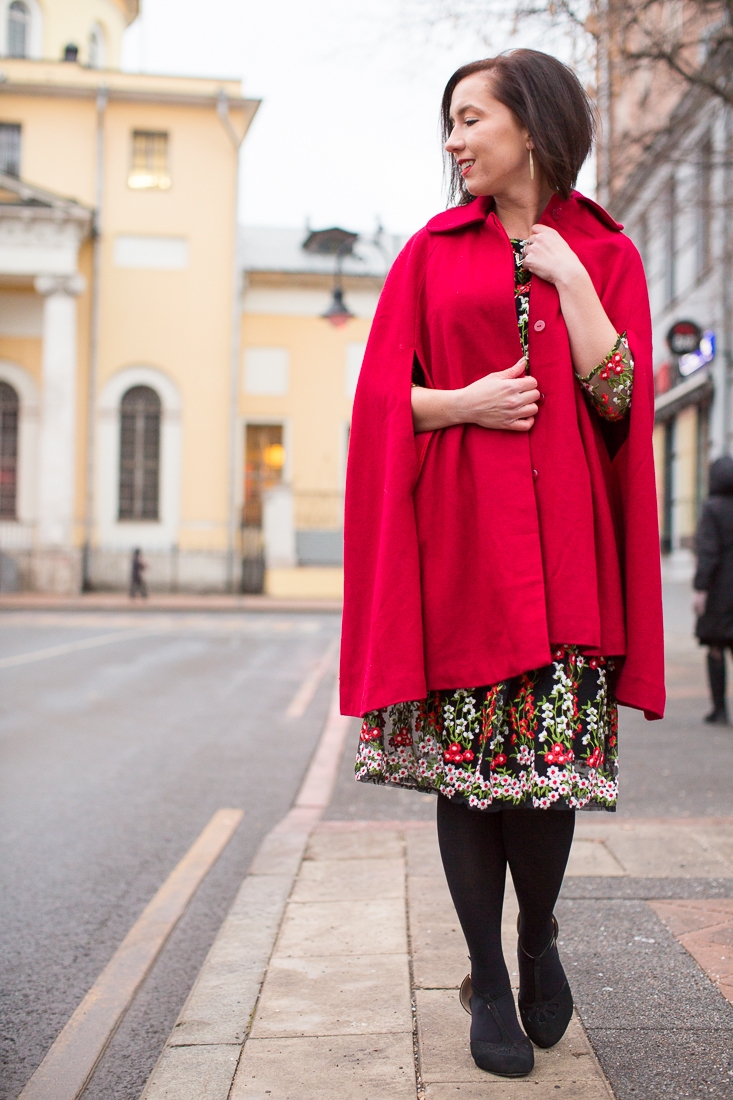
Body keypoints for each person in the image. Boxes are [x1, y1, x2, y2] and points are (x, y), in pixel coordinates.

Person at [341, 49, 664, 1080]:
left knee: (546, 782)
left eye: (470, 118)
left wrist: (569, 281)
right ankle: (485, 972)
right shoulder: (430, 253)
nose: (454, 140)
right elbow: (381, 399)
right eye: (450, 121)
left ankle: (537, 936)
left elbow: (619, 400)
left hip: (567, 554)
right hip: (464, 555)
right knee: (471, 782)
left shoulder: (603, 250)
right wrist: (464, 401)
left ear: (530, 124)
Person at [693, 455, 733, 725]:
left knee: (716, 648)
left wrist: (700, 589)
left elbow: (708, 553)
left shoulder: (712, 508)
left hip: (720, 590)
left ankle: (719, 710)